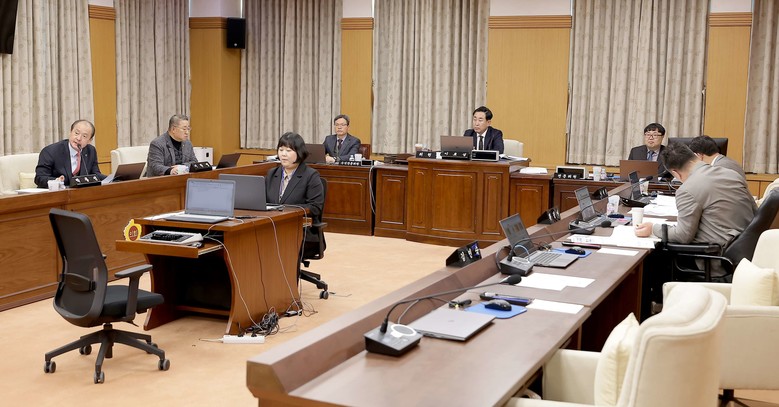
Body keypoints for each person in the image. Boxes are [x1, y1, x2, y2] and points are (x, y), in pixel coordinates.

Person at [267, 132, 325, 223]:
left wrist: (285, 210)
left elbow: (315, 208)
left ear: (299, 152)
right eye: (281, 150)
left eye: (288, 150)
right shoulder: (272, 173)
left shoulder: (311, 175)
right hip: (272, 223)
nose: (283, 154)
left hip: (299, 224)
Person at [35, 119, 106, 188]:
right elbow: (39, 178)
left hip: (81, 193)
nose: (78, 138)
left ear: (89, 140)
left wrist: (111, 179)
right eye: (76, 133)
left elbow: (95, 175)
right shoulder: (50, 151)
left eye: (84, 136)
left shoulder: (90, 150)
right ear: (70, 132)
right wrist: (56, 181)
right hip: (58, 193)